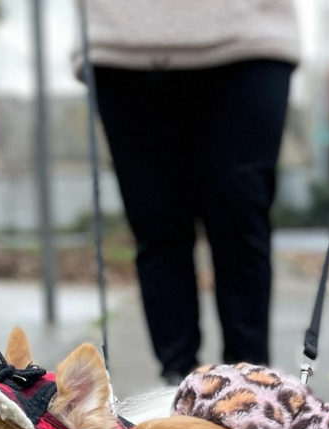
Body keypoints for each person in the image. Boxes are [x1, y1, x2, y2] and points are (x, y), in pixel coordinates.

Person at [73, 1, 300, 383]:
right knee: (158, 228)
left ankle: (252, 391)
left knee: (240, 220)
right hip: (121, 44)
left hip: (251, 38)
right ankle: (177, 387)